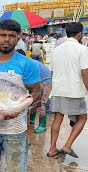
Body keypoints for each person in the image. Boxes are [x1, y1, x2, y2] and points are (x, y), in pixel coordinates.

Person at [0, 19, 41, 172]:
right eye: (3, 35)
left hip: (15, 131)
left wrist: (21, 108)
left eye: (11, 36)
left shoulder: (27, 64)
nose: (6, 39)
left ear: (18, 38)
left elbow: (36, 92)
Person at [47, 22, 88, 158]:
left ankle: (52, 149)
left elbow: (52, 71)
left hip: (58, 89)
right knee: (82, 118)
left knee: (58, 118)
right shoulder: (82, 49)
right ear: (79, 34)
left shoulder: (57, 49)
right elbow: (84, 73)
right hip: (74, 90)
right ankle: (67, 146)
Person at [29, 60, 52, 133]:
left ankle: (42, 125)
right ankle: (32, 120)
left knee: (41, 103)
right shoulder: (29, 62)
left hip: (45, 82)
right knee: (33, 100)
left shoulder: (30, 65)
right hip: (39, 81)